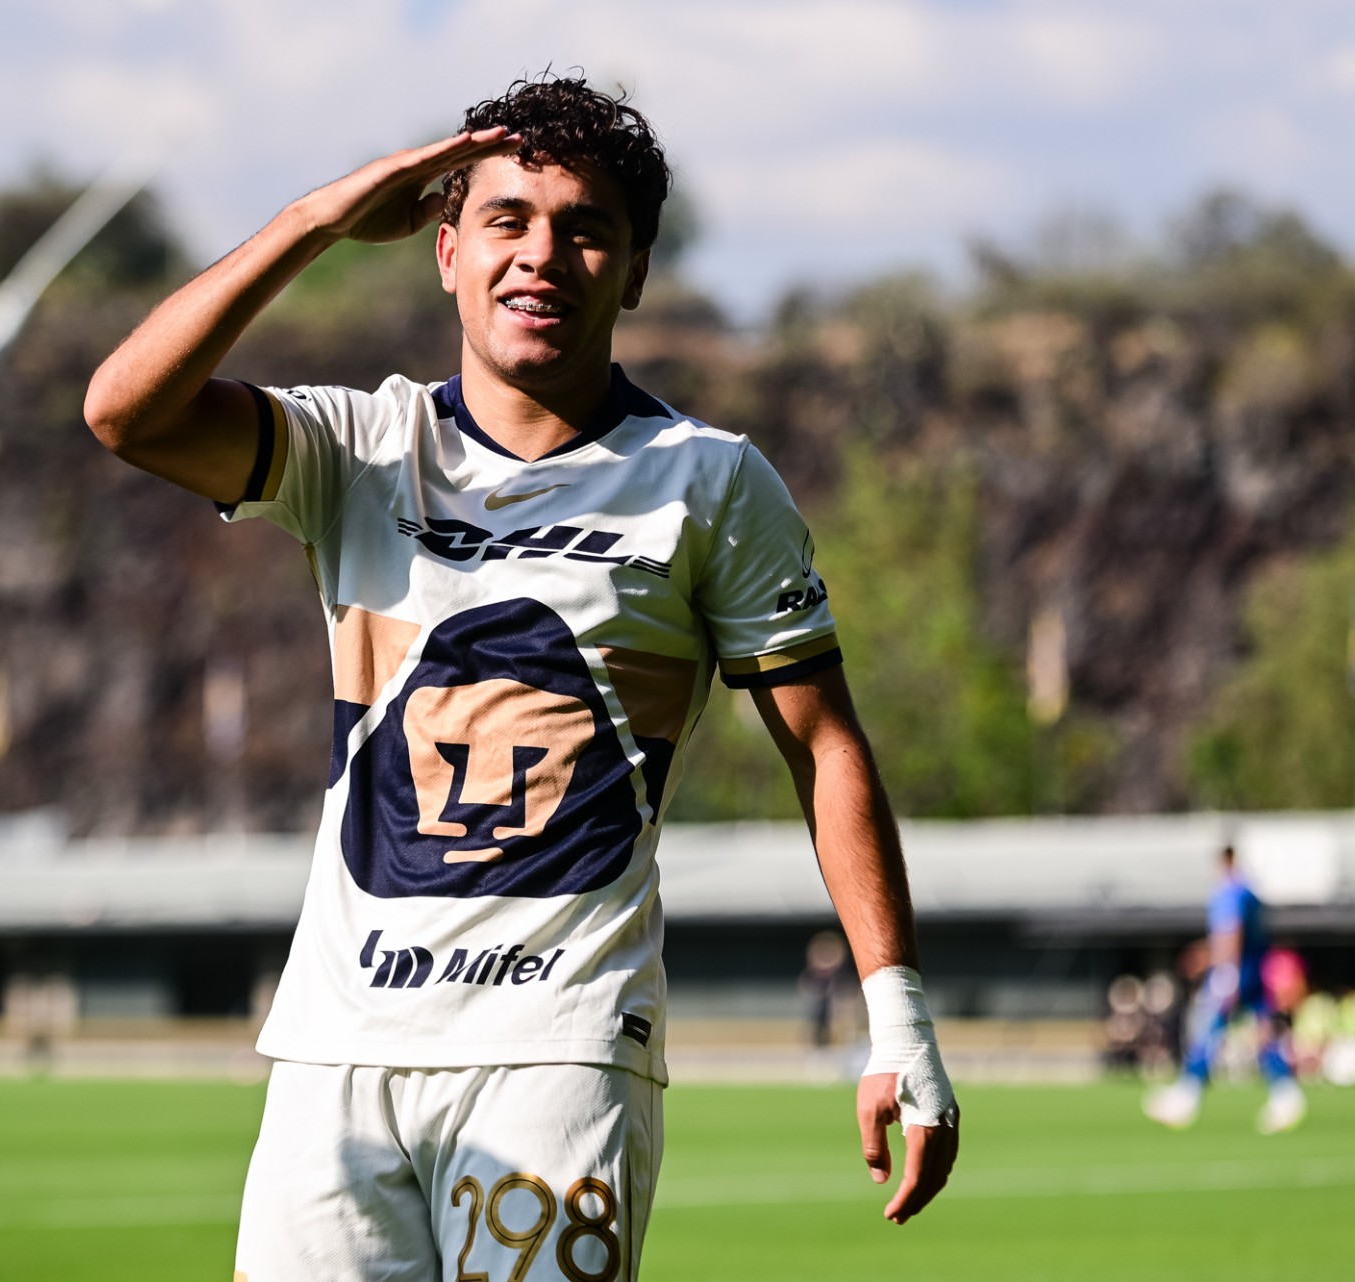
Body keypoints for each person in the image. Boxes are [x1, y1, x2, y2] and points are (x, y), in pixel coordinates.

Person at [85, 75, 958, 1280]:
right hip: (339, 1050)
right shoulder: (361, 446)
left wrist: (898, 1020)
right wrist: (315, 221)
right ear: (446, 252)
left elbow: (824, 744)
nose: (541, 254)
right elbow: (125, 413)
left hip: (560, 1047)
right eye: (506, 220)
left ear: (634, 271)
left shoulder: (709, 480)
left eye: (584, 228)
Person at [1144, 844, 1304, 1133]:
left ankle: (1186, 1096)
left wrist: (1224, 969)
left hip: (1234, 972)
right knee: (1263, 1031)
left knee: (1208, 1029)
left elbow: (1231, 931)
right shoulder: (1250, 891)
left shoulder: (1229, 892)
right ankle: (1286, 1094)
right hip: (1253, 970)